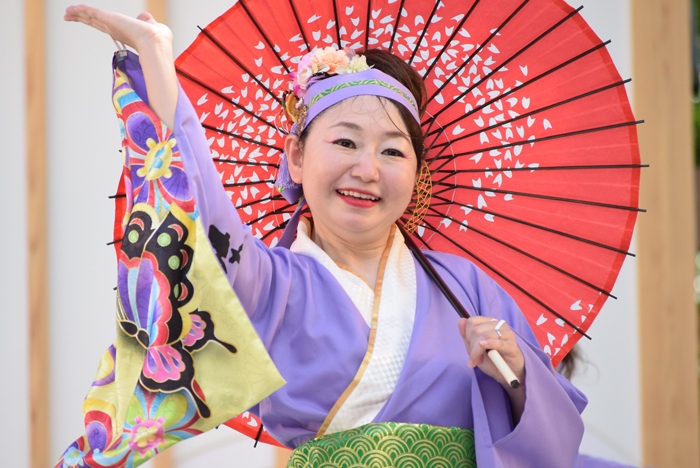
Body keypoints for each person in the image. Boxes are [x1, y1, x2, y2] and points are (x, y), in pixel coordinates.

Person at [62, 5, 588, 467]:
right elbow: (200, 205)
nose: (367, 169)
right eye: (345, 142)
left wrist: (518, 373)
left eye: (392, 151)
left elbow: (554, 444)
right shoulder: (268, 282)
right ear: (296, 156)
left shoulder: (465, 288)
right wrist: (157, 60)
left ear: (417, 174)